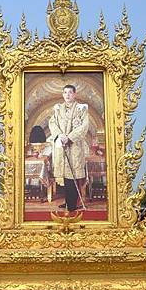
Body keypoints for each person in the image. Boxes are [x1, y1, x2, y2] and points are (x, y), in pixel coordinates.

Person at [48, 84, 89, 212]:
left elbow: (84, 126)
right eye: (65, 92)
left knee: (73, 175)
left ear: (74, 94)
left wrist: (69, 137)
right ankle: (68, 202)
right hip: (62, 145)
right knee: (65, 176)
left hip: (74, 146)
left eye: (70, 92)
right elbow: (52, 123)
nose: (67, 95)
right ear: (62, 94)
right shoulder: (58, 109)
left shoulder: (81, 109)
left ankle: (72, 204)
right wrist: (60, 135)